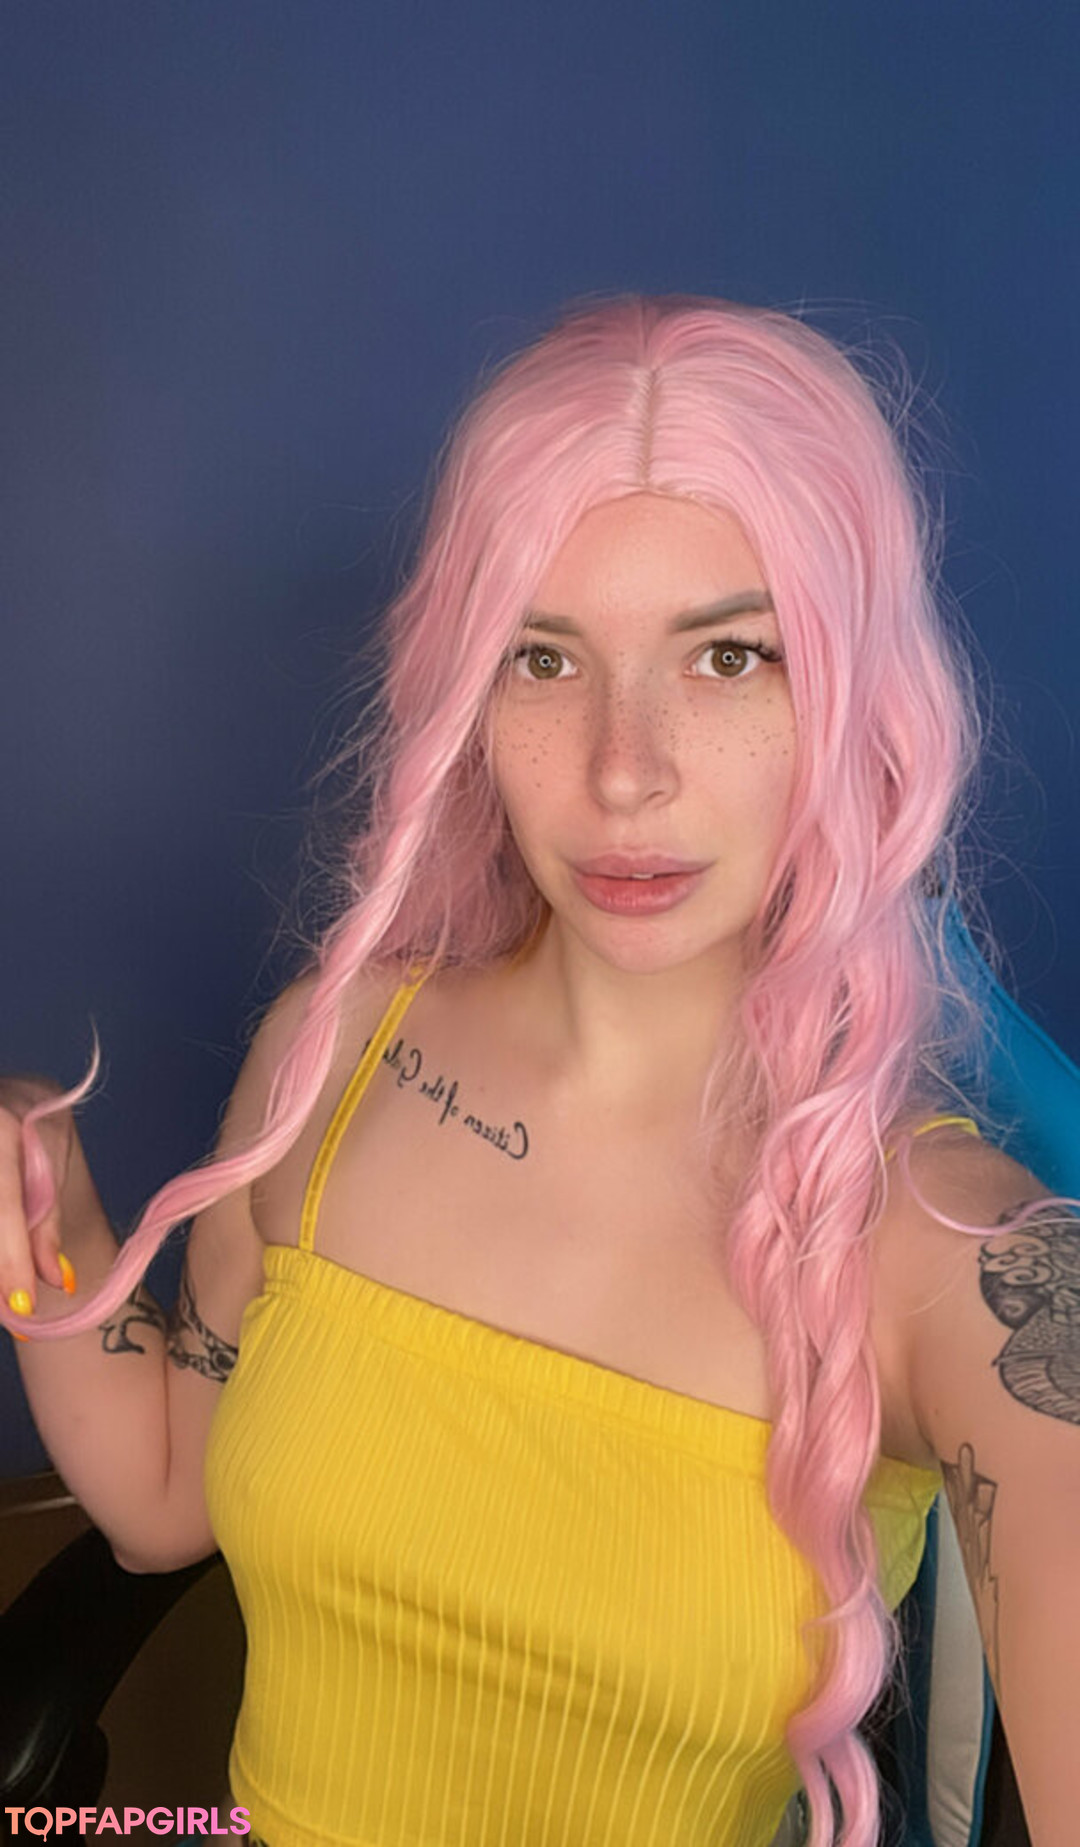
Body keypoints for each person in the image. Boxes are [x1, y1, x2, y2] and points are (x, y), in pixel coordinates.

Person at [1, 295, 1075, 1847]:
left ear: (850, 697)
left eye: (729, 655)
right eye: (543, 658)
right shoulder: (339, 1048)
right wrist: (43, 1207)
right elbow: (168, 1496)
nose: (625, 769)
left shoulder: (954, 1260)